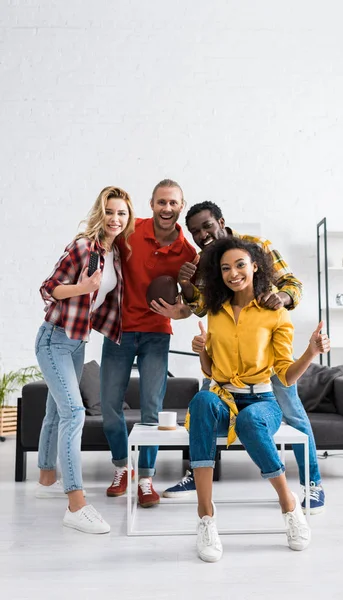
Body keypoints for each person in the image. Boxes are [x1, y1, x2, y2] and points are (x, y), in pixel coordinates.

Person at [162, 201, 326, 515]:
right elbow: (200, 307)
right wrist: (185, 285)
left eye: (206, 225)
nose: (202, 234)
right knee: (204, 409)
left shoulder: (257, 247)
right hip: (224, 349)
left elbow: (293, 284)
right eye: (195, 231)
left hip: (263, 348)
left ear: (220, 221)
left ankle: (313, 484)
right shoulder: (202, 262)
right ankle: (198, 479)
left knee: (293, 413)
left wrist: (282, 296)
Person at [186, 237, 330, 562]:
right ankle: (205, 514)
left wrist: (311, 351)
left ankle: (288, 504)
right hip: (222, 398)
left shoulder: (275, 314)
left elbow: (285, 377)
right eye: (225, 268)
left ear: (255, 266)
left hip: (262, 401)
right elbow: (210, 369)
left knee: (251, 421)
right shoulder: (215, 311)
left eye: (239, 265)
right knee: (200, 402)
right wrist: (201, 351)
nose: (233, 273)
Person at [35, 186, 135, 534]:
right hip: (54, 339)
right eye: (110, 211)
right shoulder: (82, 247)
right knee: (74, 413)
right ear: (100, 213)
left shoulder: (115, 254)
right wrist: (83, 286)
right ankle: (75, 503)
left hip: (77, 342)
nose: (115, 218)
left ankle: (47, 476)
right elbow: (49, 288)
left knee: (55, 410)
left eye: (122, 213)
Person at [100, 179, 197, 506]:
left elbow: (191, 305)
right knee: (109, 406)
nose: (167, 208)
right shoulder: (129, 230)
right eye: (161, 202)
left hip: (157, 333)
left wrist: (180, 310)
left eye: (173, 203)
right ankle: (120, 467)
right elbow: (99, 249)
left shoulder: (188, 253)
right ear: (152, 204)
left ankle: (145, 479)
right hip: (120, 331)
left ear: (181, 206)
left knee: (152, 411)